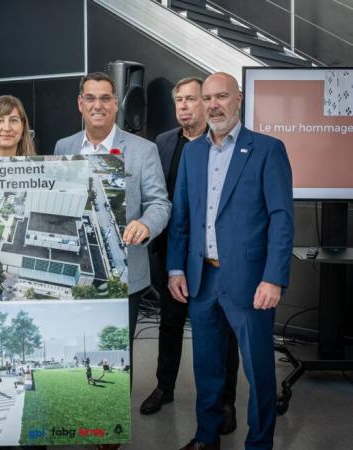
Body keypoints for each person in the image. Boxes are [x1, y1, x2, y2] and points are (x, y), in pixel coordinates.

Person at [167, 72, 293, 450]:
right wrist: (175, 267)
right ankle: (207, 437)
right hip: (202, 278)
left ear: (238, 100)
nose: (213, 105)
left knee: (258, 371)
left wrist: (274, 278)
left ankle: (259, 442)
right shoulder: (192, 152)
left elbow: (282, 219)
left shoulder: (267, 149)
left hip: (251, 282)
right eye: (207, 98)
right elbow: (181, 216)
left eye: (221, 96)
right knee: (206, 367)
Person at [54, 71, 170, 385]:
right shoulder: (63, 147)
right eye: (90, 98)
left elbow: (160, 204)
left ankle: (112, 433)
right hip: (76, 273)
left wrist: (145, 225)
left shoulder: (142, 150)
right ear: (80, 103)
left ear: (116, 103)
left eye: (105, 98)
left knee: (117, 358)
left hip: (126, 274)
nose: (98, 105)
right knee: (77, 350)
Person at [142, 77, 240, 436]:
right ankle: (164, 387)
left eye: (191, 99)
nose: (184, 106)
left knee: (222, 333)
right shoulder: (164, 143)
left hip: (214, 258)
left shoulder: (223, 145)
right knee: (169, 324)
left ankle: (224, 402)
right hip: (174, 253)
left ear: (207, 103)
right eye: (179, 100)